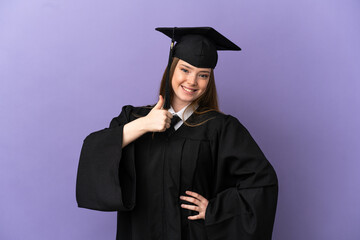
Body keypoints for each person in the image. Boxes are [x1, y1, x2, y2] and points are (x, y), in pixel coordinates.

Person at [76, 27, 278, 240]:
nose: (192, 81)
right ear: (172, 68)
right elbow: (95, 152)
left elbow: (262, 182)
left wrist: (215, 209)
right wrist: (144, 125)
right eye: (185, 69)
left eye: (203, 75)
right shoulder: (133, 118)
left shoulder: (220, 128)